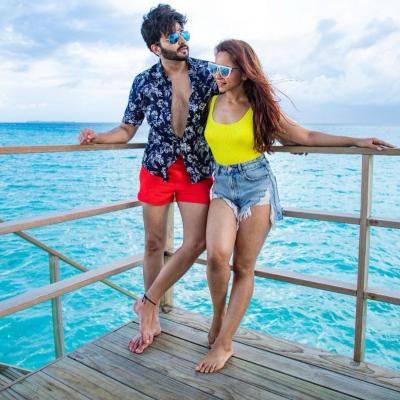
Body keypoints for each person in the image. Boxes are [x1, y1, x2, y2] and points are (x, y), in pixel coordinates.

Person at [194, 39, 394, 374]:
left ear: (244, 71)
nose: (217, 74)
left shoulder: (260, 108)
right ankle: (218, 317)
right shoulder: (210, 102)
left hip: (257, 187)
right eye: (215, 67)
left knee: (243, 267)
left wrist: (356, 140)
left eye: (225, 69)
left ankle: (225, 342)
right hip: (223, 185)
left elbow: (307, 136)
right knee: (216, 256)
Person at [79, 4, 217, 354]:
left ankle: (148, 302)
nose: (183, 41)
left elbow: (244, 102)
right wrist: (98, 138)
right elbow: (127, 129)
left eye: (184, 34)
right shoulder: (143, 82)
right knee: (153, 243)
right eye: (174, 37)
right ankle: (151, 320)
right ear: (156, 47)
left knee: (196, 243)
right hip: (156, 169)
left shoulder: (208, 73)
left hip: (197, 169)